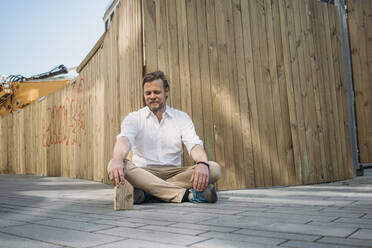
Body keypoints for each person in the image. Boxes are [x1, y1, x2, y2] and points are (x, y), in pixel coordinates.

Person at [107, 70, 221, 203]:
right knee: (114, 164)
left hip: (175, 172)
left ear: (166, 92)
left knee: (213, 169)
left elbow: (194, 145)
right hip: (143, 172)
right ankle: (186, 195)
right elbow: (124, 140)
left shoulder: (181, 118)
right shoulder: (134, 118)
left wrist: (201, 163)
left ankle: (148, 192)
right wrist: (117, 158)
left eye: (157, 92)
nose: (152, 96)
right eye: (148, 93)